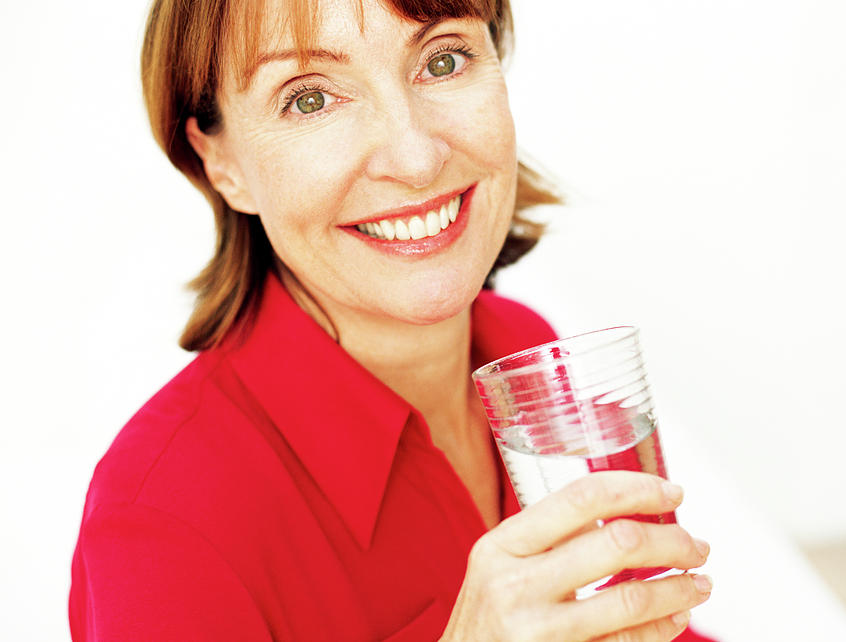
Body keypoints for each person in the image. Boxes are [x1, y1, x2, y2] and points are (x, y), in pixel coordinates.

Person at [69, 0, 716, 639]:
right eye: (310, 100)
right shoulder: (160, 527)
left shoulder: (521, 346)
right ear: (222, 163)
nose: (415, 159)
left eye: (444, 59)